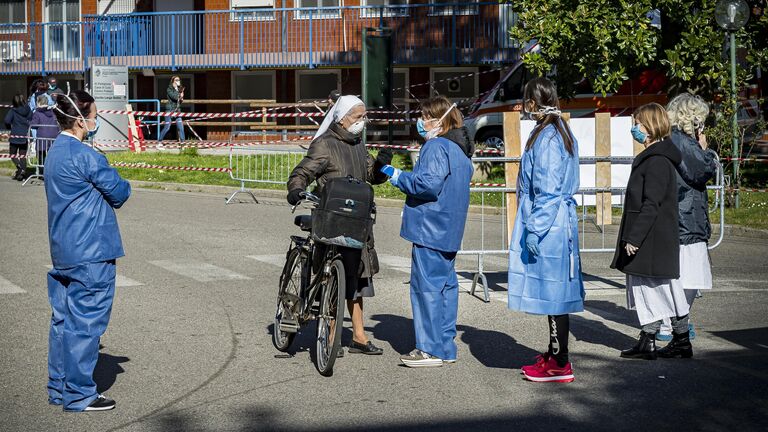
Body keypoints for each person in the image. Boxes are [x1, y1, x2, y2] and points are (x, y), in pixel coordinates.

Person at [46, 90, 131, 412]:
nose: (96, 120)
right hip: (92, 249)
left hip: (63, 248)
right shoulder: (87, 156)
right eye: (93, 114)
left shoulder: (54, 151)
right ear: (81, 119)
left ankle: (59, 387)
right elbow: (120, 191)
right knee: (86, 325)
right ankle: (80, 394)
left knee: (63, 322)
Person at [287, 95, 392, 355]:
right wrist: (296, 189)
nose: (362, 122)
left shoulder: (357, 144)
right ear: (343, 119)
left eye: (364, 117)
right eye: (358, 117)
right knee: (332, 278)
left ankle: (358, 335)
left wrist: (381, 166)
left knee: (358, 280)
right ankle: (331, 333)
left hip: (357, 221)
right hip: (331, 219)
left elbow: (371, 175)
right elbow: (302, 172)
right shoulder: (324, 145)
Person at [380, 95, 474, 368]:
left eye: (425, 116)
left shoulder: (436, 147)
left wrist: (396, 176)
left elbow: (427, 185)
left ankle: (429, 349)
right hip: (449, 229)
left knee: (426, 290)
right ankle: (445, 346)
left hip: (429, 228)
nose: (421, 122)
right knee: (446, 288)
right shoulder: (461, 151)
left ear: (440, 120)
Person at [506, 77, 584, 383]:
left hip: (549, 224)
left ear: (533, 103)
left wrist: (535, 230)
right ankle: (554, 353)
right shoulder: (553, 131)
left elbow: (548, 190)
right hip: (551, 222)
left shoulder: (549, 138)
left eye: (526, 102)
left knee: (554, 295)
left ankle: (559, 362)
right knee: (552, 294)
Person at [611, 102, 683, 360]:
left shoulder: (657, 161)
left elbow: (651, 204)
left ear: (651, 126)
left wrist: (635, 238)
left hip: (650, 237)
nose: (634, 128)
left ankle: (651, 340)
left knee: (648, 289)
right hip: (649, 235)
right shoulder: (655, 158)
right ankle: (648, 338)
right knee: (644, 288)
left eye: (638, 123)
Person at [651, 94, 719, 355]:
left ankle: (674, 324)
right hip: (686, 217)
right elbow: (701, 170)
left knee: (684, 275)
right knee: (689, 276)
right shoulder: (685, 143)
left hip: (682, 215)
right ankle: (674, 325)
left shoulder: (673, 140)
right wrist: (705, 150)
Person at [4, 93, 32, 181]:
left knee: (13, 155)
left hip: (15, 135)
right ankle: (22, 173)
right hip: (25, 135)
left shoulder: (13, 110)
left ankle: (20, 169)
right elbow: (31, 118)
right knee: (22, 156)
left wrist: (9, 128)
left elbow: (7, 120)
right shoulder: (28, 109)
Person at [31, 94, 61, 169]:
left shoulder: (37, 113)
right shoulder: (53, 112)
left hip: (42, 136)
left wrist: (28, 122)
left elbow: (33, 125)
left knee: (41, 155)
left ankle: (42, 171)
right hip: (54, 136)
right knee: (52, 155)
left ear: (38, 103)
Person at [157, 76, 185, 146]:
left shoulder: (178, 89)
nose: (178, 81)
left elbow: (179, 101)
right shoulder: (169, 89)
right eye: (176, 80)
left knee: (180, 126)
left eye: (179, 79)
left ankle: (182, 142)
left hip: (177, 111)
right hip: (169, 110)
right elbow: (174, 97)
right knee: (167, 127)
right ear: (173, 81)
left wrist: (181, 97)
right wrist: (179, 94)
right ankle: (160, 141)